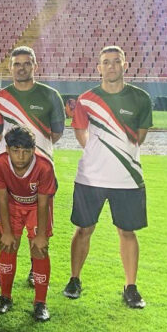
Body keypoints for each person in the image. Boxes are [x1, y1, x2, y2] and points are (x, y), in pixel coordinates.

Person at [64, 46, 152, 309]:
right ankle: (74, 279)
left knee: (127, 231)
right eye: (106, 62)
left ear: (125, 65)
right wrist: (98, 156)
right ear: (99, 67)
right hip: (90, 178)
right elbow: (81, 134)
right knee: (83, 229)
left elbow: (141, 135)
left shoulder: (141, 98)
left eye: (116, 61)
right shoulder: (86, 99)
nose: (111, 66)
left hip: (127, 178)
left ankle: (131, 286)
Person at [0, 46, 64, 287]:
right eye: (17, 64)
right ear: (10, 68)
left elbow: (58, 133)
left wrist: (37, 151)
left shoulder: (51, 95)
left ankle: (35, 269)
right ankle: (5, 270)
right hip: (8, 174)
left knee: (38, 223)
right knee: (6, 223)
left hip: (41, 170)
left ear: (35, 66)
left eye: (26, 63)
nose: (22, 68)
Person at [0, 127, 56, 322]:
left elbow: (43, 201)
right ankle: (5, 298)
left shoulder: (44, 167)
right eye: (16, 150)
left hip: (37, 207)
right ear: (8, 149)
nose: (21, 156)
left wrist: (41, 234)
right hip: (12, 205)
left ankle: (40, 303)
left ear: (34, 150)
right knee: (8, 245)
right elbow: (1, 198)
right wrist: (7, 232)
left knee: (39, 250)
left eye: (26, 151)